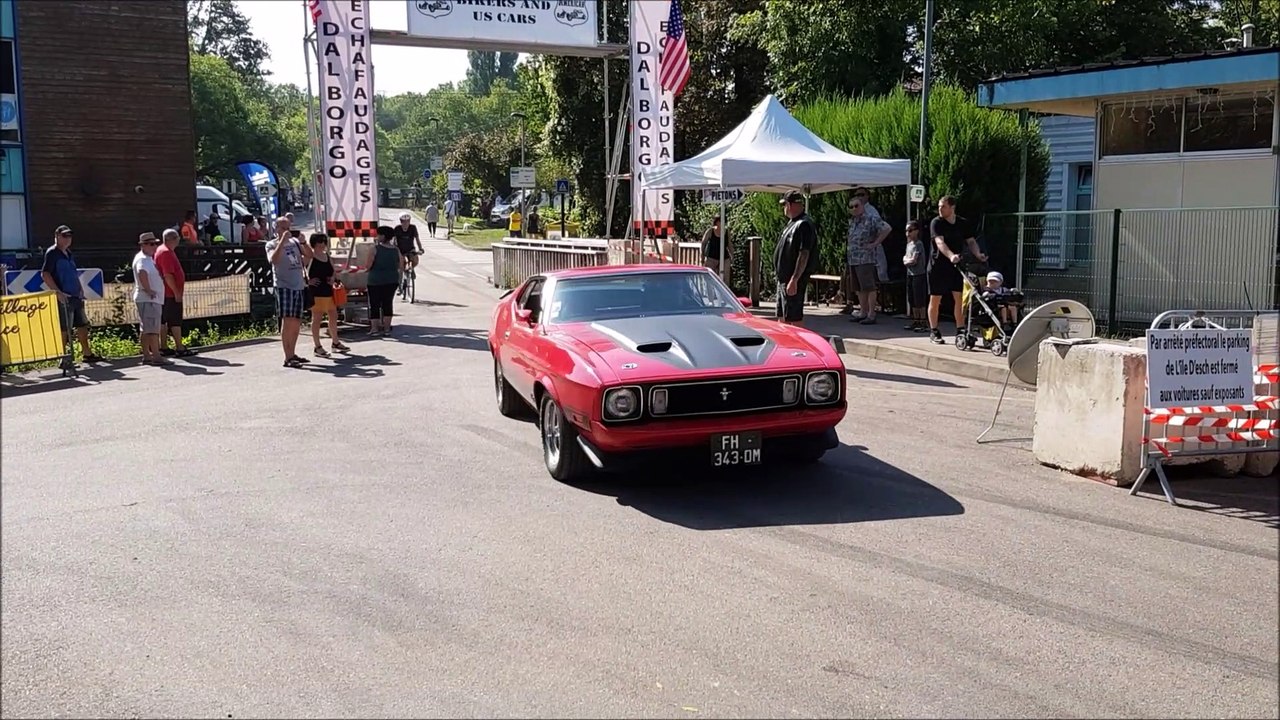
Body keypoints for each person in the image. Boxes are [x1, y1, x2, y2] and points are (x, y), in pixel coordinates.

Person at [927, 195, 986, 344]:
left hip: (956, 266)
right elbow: (939, 242)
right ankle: (934, 330)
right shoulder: (936, 223)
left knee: (958, 299)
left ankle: (960, 329)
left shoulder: (962, 223)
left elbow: (971, 241)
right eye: (939, 206)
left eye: (943, 206)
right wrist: (951, 255)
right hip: (938, 266)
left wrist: (978, 254)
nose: (940, 209)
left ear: (952, 208)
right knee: (936, 299)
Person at [41, 225, 100, 362]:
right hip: (64, 296)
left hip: (75, 295)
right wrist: (58, 293)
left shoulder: (69, 253)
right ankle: (63, 357)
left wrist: (80, 287)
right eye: (65, 236)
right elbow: (45, 274)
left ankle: (87, 353)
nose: (68, 239)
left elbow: (73, 272)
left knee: (82, 325)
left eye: (70, 236)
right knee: (64, 328)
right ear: (57, 236)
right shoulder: (52, 253)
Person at [266, 217, 314, 368]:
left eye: (288, 227)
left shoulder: (294, 243)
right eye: (283, 227)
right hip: (284, 286)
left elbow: (309, 256)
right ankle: (287, 356)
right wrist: (282, 241)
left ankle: (292, 352)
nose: (287, 230)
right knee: (287, 321)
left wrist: (303, 242)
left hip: (298, 285)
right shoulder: (271, 244)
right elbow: (273, 260)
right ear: (276, 229)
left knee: (296, 322)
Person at [773, 190, 817, 326]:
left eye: (785, 205)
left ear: (791, 205)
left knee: (794, 317)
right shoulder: (792, 223)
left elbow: (804, 253)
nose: (784, 208)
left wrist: (795, 278)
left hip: (792, 279)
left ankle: (798, 345)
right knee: (782, 315)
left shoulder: (804, 224)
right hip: (783, 279)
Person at [845, 195, 892, 325]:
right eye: (851, 207)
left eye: (857, 206)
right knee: (859, 288)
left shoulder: (871, 219)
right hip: (853, 259)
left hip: (866, 258)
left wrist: (875, 243)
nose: (854, 209)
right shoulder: (853, 221)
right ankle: (863, 312)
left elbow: (886, 228)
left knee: (869, 287)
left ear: (862, 206)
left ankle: (871, 314)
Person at [306, 233, 348, 358]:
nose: (323, 244)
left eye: (324, 241)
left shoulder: (327, 256)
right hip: (316, 292)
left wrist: (333, 279)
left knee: (333, 316)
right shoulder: (310, 256)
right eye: (320, 242)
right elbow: (301, 269)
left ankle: (335, 342)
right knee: (317, 319)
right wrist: (307, 281)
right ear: (314, 243)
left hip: (328, 291)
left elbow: (333, 272)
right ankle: (317, 346)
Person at [154, 228, 194, 358]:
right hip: (169, 293)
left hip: (165, 293)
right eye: (177, 237)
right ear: (171, 239)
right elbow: (168, 275)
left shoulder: (163, 250)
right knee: (175, 321)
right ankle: (179, 347)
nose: (179, 239)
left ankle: (164, 347)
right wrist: (176, 292)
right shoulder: (166, 252)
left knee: (163, 321)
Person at [132, 232, 168, 365]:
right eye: (152, 244)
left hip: (147, 298)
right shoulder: (143, 259)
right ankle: (156, 356)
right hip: (149, 298)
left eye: (155, 243)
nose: (155, 246)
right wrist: (148, 290)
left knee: (146, 328)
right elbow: (142, 273)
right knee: (152, 329)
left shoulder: (146, 258)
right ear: (143, 245)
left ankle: (147, 355)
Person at [366, 226, 402, 336]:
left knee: (374, 304)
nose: (377, 236)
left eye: (378, 234)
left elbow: (368, 265)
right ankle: (387, 329)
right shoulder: (396, 249)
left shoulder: (375, 249)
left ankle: (375, 329)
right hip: (392, 280)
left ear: (383, 236)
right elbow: (401, 264)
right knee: (387, 303)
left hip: (375, 280)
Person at [902, 220, 929, 332]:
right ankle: (915, 319)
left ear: (916, 231)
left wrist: (907, 261)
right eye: (906, 230)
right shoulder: (909, 245)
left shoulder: (919, 244)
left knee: (919, 299)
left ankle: (923, 321)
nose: (908, 233)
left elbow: (914, 260)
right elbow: (905, 258)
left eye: (910, 230)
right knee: (912, 298)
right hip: (910, 274)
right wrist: (907, 260)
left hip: (919, 274)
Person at [701, 215, 732, 284]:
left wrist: (732, 256)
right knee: (710, 277)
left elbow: (729, 244)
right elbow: (703, 243)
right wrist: (702, 256)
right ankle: (710, 293)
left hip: (724, 258)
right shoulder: (710, 231)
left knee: (725, 278)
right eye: (721, 221)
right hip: (712, 258)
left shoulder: (727, 232)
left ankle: (725, 292)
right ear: (717, 222)